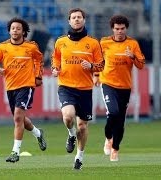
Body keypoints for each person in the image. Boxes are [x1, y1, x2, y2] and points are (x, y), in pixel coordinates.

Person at [51, 8, 104, 170]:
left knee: (83, 126)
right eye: (73, 17)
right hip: (66, 86)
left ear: (84, 20)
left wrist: (92, 66)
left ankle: (79, 157)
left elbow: (101, 65)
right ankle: (71, 134)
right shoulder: (60, 42)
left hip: (85, 89)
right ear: (69, 21)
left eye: (79, 17)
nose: (76, 20)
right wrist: (55, 68)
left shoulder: (93, 43)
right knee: (68, 116)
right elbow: (56, 58)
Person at [0, 17, 47, 163]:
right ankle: (37, 133)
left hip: (26, 85)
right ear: (9, 31)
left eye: (18, 28)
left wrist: (38, 76)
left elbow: (39, 60)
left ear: (23, 31)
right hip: (10, 86)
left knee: (17, 117)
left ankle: (15, 152)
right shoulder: (3, 47)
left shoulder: (31, 47)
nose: (15, 30)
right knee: (20, 119)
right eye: (12, 28)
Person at [93, 15, 145, 161]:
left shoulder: (133, 44)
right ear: (113, 29)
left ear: (126, 28)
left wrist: (133, 56)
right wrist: (96, 75)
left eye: (122, 28)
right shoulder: (104, 42)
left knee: (120, 120)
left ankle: (115, 148)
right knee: (113, 112)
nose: (120, 31)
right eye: (117, 28)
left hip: (125, 86)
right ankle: (108, 138)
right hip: (108, 83)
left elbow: (141, 65)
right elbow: (97, 59)